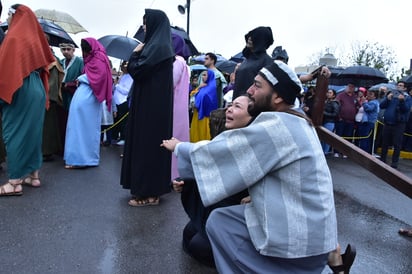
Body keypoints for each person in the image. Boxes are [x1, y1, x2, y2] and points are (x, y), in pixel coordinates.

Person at [161, 61, 340, 273]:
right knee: (220, 220)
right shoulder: (294, 120)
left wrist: (179, 147)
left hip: (302, 244)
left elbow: (219, 153)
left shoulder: (277, 126)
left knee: (216, 228)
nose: (249, 90)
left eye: (257, 85)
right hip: (310, 237)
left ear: (278, 97)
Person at [173, 95, 253, 267]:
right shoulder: (228, 137)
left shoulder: (255, 143)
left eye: (237, 107)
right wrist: (189, 184)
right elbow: (215, 174)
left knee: (199, 246)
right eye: (230, 105)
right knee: (189, 233)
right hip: (224, 206)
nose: (229, 109)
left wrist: (255, 196)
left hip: (245, 214)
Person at [120, 9, 174, 207]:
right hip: (156, 108)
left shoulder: (156, 48)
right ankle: (153, 193)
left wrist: (134, 55)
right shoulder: (162, 47)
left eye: (146, 23)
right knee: (154, 147)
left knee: (145, 145)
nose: (144, 27)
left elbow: (137, 70)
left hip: (148, 108)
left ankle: (143, 193)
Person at [0, 4, 55, 195]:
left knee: (14, 132)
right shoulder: (34, 38)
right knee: (32, 133)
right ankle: (34, 176)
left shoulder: (13, 37)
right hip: (36, 88)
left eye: (9, 14)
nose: (7, 18)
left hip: (20, 87)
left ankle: (14, 182)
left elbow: (7, 70)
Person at [64, 38, 113, 169]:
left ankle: (80, 159)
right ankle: (80, 158)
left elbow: (99, 76)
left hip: (88, 97)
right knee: (83, 129)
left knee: (81, 129)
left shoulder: (98, 58)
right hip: (87, 97)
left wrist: (81, 78)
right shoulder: (96, 58)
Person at [232, 26, 273, 100]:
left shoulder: (267, 62)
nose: (250, 38)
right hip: (238, 103)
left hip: (252, 105)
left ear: (261, 40)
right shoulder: (246, 60)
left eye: (254, 36)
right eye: (249, 36)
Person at [379, 81, 412, 168]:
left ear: (405, 88)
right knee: (385, 142)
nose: (399, 87)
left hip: (399, 124)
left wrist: (402, 101)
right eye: (398, 85)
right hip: (387, 123)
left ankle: (394, 162)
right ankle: (382, 159)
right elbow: (381, 106)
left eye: (401, 86)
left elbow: (406, 109)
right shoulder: (391, 95)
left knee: (397, 144)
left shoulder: (407, 98)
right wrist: (387, 99)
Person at [171, 33, 190, 180]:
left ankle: (172, 173)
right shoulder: (183, 62)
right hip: (180, 105)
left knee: (173, 136)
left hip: (174, 104)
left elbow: (170, 82)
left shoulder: (177, 61)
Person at [58, 42, 84, 149]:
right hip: (61, 96)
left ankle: (71, 147)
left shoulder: (79, 62)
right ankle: (61, 146)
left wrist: (69, 84)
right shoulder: (60, 62)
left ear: (74, 50)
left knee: (72, 123)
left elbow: (83, 78)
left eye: (68, 49)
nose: (66, 51)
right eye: (63, 49)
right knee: (61, 122)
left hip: (73, 96)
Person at [43, 46, 65, 161]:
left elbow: (53, 83)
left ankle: (47, 151)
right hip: (43, 97)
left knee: (48, 127)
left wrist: (48, 98)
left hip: (48, 99)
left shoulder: (53, 62)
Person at [190, 69, 218, 142]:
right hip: (197, 113)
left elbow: (208, 99)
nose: (203, 77)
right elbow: (192, 94)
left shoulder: (212, 87)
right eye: (202, 75)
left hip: (205, 115)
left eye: (205, 75)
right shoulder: (202, 86)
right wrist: (199, 87)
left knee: (204, 132)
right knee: (197, 131)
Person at [334, 82, 358, 158]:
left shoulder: (355, 97)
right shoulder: (341, 95)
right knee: (339, 136)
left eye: (352, 87)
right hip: (341, 119)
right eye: (349, 86)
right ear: (346, 87)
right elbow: (336, 105)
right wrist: (339, 116)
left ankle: (345, 152)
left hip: (351, 120)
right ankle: (336, 151)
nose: (350, 88)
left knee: (348, 137)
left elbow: (358, 106)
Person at [111, 61, 133, 145]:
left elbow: (127, 91)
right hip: (116, 101)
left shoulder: (131, 77)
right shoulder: (122, 76)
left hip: (123, 101)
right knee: (115, 120)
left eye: (124, 65)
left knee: (123, 122)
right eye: (121, 65)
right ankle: (114, 137)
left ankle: (123, 138)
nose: (121, 67)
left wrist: (117, 85)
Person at [357, 89, 379, 153]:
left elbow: (368, 109)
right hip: (369, 122)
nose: (368, 95)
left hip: (368, 122)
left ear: (375, 97)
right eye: (368, 94)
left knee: (365, 138)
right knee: (365, 138)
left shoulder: (373, 102)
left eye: (371, 94)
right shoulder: (373, 102)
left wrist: (364, 102)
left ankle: (363, 152)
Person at [322, 89, 340, 155]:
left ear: (333, 95)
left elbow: (335, 114)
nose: (328, 94)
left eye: (330, 93)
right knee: (322, 138)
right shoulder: (326, 102)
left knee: (326, 139)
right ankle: (322, 152)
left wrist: (324, 113)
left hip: (330, 122)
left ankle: (325, 152)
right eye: (328, 92)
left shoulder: (335, 103)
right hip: (324, 121)